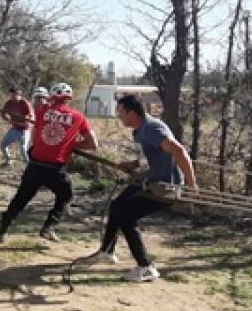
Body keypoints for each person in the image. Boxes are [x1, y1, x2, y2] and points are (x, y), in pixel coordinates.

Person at [82, 94, 197, 282]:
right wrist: (132, 164)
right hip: (150, 182)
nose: (118, 117)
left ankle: (146, 267)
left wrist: (192, 185)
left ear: (132, 112)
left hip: (165, 187)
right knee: (117, 206)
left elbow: (179, 151)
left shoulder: (152, 128)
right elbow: (149, 156)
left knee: (127, 216)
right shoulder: (139, 130)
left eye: (120, 112)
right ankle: (107, 252)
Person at [0, 82, 98, 243]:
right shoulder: (78, 117)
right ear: (69, 98)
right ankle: (49, 226)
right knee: (66, 196)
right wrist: (70, 144)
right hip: (55, 169)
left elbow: (36, 136)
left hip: (35, 165)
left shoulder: (43, 111)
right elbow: (93, 144)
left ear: (53, 97)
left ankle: (2, 231)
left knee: (21, 199)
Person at [0, 88, 34, 167]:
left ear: (19, 95)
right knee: (3, 145)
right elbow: (2, 113)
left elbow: (31, 116)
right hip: (15, 129)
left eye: (13, 95)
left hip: (25, 130)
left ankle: (29, 166)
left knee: (23, 150)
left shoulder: (25, 103)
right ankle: (8, 161)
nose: (11, 97)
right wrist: (8, 120)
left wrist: (27, 122)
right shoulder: (9, 103)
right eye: (10, 95)